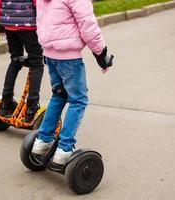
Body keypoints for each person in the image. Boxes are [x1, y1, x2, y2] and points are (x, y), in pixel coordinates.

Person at [31, 0, 114, 165]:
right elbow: (88, 25)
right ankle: (64, 149)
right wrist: (101, 54)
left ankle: (42, 141)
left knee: (59, 95)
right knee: (78, 100)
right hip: (69, 57)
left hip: (50, 53)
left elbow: (41, 20)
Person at [0, 0, 44, 122]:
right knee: (37, 63)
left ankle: (6, 103)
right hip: (28, 23)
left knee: (15, 60)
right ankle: (32, 106)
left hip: (8, 22)